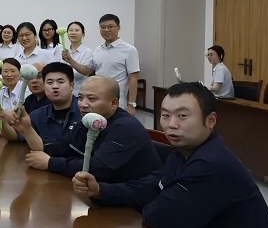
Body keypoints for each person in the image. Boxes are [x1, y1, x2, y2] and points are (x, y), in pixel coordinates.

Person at [73, 82, 268, 228]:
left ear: (210, 121)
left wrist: (156, 199)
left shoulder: (211, 164)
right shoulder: (185, 152)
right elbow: (152, 185)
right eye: (165, 115)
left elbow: (161, 217)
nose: (171, 125)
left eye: (182, 116)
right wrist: (101, 190)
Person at [15, 75, 160, 182]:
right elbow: (66, 147)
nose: (83, 104)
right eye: (80, 98)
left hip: (134, 200)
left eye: (91, 99)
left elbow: (98, 168)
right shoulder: (91, 120)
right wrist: (27, 129)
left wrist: (50, 163)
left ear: (113, 103)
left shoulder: (125, 128)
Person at [92, 13, 140, 113]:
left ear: (118, 28)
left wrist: (131, 104)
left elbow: (133, 78)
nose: (106, 30)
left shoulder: (129, 50)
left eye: (110, 27)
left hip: (118, 102)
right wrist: (70, 60)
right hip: (97, 100)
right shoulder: (97, 50)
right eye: (103, 27)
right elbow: (89, 70)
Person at [61, 21, 95, 97]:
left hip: (79, 94)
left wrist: (70, 61)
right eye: (71, 30)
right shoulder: (64, 50)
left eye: (77, 30)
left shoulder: (87, 52)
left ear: (83, 34)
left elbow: (86, 71)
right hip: (64, 95)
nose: (73, 33)